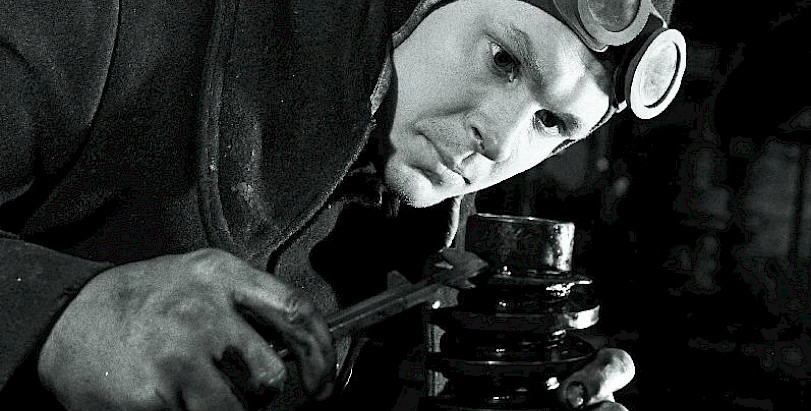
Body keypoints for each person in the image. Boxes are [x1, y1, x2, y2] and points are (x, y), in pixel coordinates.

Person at [0, 0, 684, 409]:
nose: (500, 141)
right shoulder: (118, 24)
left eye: (550, 123)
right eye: (504, 60)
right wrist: (61, 310)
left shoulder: (433, 247)